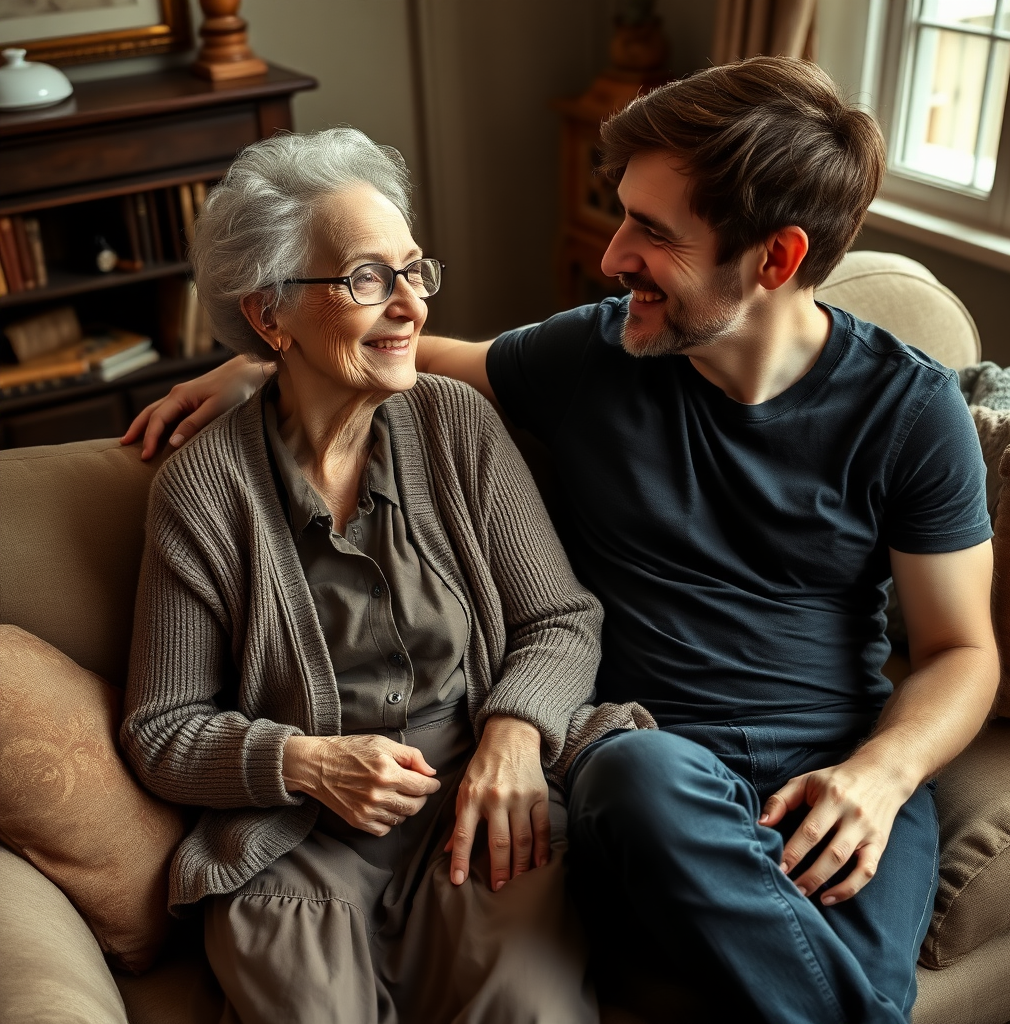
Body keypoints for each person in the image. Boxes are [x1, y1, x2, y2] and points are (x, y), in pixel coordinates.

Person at [125, 58, 1000, 1024]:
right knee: (641, 773)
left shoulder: (914, 411)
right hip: (652, 771)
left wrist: (881, 775)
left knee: (862, 996)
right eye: (620, 214)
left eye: (653, 233)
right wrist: (259, 366)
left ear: (775, 260)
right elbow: (403, 358)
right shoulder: (597, 354)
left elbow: (962, 650)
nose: (611, 255)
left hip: (837, 765)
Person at [119, 126, 653, 1024]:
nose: (411, 306)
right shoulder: (203, 490)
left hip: (479, 810)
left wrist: (513, 737)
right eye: (368, 279)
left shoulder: (455, 426)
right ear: (268, 314)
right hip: (300, 843)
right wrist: (308, 762)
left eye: (415, 270)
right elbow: (161, 728)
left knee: (531, 1009)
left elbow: (561, 620)